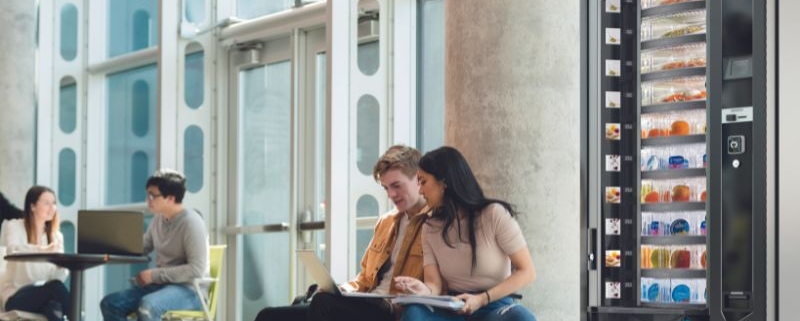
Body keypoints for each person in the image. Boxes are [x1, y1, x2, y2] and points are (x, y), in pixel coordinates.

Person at [255, 145, 430, 321]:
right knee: (268, 316)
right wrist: (343, 290)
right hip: (368, 303)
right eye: (386, 188)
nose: (391, 194)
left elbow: (435, 287)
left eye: (396, 186)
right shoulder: (386, 222)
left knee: (323, 303)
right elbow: (363, 280)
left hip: (392, 311)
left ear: (418, 179)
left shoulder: (433, 224)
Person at [395, 146, 537, 321]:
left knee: (520, 317)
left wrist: (482, 299)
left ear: (444, 182)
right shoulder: (430, 227)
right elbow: (434, 284)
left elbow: (527, 271)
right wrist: (421, 290)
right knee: (414, 312)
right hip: (454, 309)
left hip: (495, 305)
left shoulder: (493, 214)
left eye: (423, 182)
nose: (421, 191)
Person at [100, 170, 209, 321]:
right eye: (147, 194)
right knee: (110, 303)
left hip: (190, 291)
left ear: (171, 198)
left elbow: (197, 269)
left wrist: (154, 275)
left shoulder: (191, 222)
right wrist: (112, 243)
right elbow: (143, 246)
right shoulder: (159, 219)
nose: (148, 199)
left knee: (148, 306)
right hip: (161, 287)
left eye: (153, 195)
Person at [0, 186, 69, 321]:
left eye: (54, 203)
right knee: (57, 289)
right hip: (16, 296)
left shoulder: (56, 236)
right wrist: (43, 250)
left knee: (53, 307)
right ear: (32, 206)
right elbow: (13, 251)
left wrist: (62, 265)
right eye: (46, 203)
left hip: (44, 295)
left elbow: (58, 277)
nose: (52, 208)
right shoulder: (15, 227)